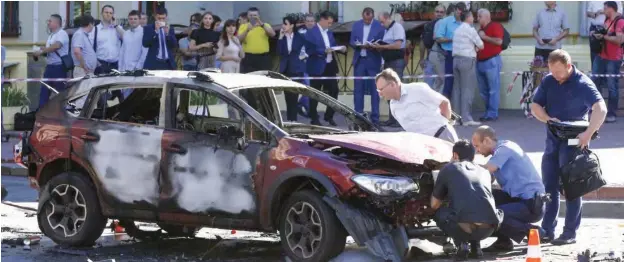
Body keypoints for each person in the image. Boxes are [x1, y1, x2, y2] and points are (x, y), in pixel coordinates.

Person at [530, 49, 607, 245]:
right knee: (549, 187)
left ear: (569, 66)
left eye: (559, 72)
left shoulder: (582, 83)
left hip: (573, 143)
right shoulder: (548, 81)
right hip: (552, 143)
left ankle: (570, 232)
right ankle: (547, 230)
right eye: (552, 72)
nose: (556, 76)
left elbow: (601, 108)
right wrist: (547, 118)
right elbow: (535, 106)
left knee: (572, 189)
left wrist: (588, 134)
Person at [472, 126, 547, 251]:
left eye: (476, 146)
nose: (477, 151)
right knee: (487, 198)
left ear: (486, 141)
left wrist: (464, 166)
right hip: (519, 200)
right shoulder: (497, 155)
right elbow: (487, 179)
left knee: (496, 214)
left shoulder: (505, 148)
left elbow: (486, 170)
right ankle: (503, 242)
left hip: (531, 203)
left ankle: (534, 233)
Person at [430, 140, 503, 260]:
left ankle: (462, 244)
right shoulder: (485, 171)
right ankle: (476, 247)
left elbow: (434, 204)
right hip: (488, 229)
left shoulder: (449, 168)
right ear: (473, 156)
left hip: (463, 228)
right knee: (476, 208)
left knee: (440, 213)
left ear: (455, 155)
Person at [375, 68, 458, 142]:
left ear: (392, 84)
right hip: (423, 146)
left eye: (381, 89)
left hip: (442, 137)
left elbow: (444, 103)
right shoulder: (393, 106)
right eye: (378, 91)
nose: (380, 94)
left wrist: (444, 127)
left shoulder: (417, 89)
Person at [305, 11, 341, 126]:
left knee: (334, 90)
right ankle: (314, 117)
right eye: (329, 23)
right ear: (322, 20)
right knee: (315, 93)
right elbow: (309, 50)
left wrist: (340, 48)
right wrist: (323, 51)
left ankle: (329, 116)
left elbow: (333, 46)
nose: (330, 25)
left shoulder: (329, 33)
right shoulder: (311, 32)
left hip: (330, 65)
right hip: (317, 66)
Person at [350, 7, 385, 125]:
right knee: (358, 90)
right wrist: (357, 45)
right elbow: (352, 41)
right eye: (365, 19)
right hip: (359, 60)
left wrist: (373, 45)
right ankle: (359, 116)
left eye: (369, 20)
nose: (367, 21)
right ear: (362, 15)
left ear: (373, 17)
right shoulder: (356, 25)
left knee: (375, 90)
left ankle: (375, 118)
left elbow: (382, 42)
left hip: (373, 60)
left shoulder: (379, 26)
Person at [590, 1, 623, 123]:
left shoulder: (620, 21)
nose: (603, 11)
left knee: (611, 85)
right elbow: (605, 33)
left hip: (613, 58)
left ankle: (611, 113)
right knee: (594, 81)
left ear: (611, 9)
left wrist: (603, 37)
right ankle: (597, 109)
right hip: (601, 55)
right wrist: (596, 34)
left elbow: (619, 40)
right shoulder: (607, 20)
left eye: (604, 8)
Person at [374, 11, 407, 128]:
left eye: (382, 22)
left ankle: (398, 120)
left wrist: (382, 46)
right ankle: (392, 118)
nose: (381, 24)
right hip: (389, 61)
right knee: (388, 90)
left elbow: (398, 45)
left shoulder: (397, 27)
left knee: (396, 89)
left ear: (388, 18)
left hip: (396, 61)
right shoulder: (387, 30)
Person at [452, 10, 483, 126]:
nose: (474, 18)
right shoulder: (470, 30)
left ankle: (456, 118)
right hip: (467, 60)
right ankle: (466, 118)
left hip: (455, 59)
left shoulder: (457, 30)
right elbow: (481, 45)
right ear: (468, 17)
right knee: (467, 89)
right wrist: (476, 48)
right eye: (472, 16)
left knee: (457, 90)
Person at [33, 14, 69, 108]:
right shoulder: (51, 35)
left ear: (56, 23)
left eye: (50, 21)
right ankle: (41, 116)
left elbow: (57, 46)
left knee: (60, 94)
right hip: (50, 67)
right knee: (44, 92)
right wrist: (43, 50)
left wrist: (42, 51)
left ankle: (61, 117)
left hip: (59, 68)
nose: (48, 23)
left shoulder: (62, 33)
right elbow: (50, 49)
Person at [476, 9, 504, 122]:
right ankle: (488, 112)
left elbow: (499, 41)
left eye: (479, 16)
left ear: (487, 17)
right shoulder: (480, 30)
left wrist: (484, 37)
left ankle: (492, 113)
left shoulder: (495, 26)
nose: (477, 19)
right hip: (480, 61)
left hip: (492, 61)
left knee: (493, 89)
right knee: (483, 90)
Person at [277, 16, 306, 122]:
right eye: (283, 24)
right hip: (286, 69)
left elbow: (306, 50)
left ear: (292, 25)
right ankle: (290, 120)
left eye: (285, 24)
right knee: (288, 96)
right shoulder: (283, 37)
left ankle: (293, 120)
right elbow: (279, 52)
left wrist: (303, 57)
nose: (283, 26)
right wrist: (280, 37)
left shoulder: (300, 37)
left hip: (297, 68)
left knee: (294, 95)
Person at [435, 2, 465, 99]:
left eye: (461, 13)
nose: (459, 14)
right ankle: (446, 108)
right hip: (449, 54)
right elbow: (438, 38)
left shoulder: (467, 22)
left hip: (464, 55)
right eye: (458, 11)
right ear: (455, 10)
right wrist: (452, 39)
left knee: (462, 83)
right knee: (449, 82)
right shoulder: (446, 21)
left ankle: (458, 110)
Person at [238, 7, 276, 73]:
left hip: (263, 58)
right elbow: (239, 40)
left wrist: (262, 25)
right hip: (248, 58)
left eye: (255, 15)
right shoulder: (243, 26)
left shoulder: (265, 25)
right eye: (250, 15)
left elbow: (272, 34)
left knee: (265, 79)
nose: (253, 17)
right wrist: (247, 30)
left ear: (259, 16)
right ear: (247, 16)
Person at [587, 1, 622, 69]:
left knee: (610, 52)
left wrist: (602, 12)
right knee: (595, 53)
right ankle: (596, 74)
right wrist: (594, 14)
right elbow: (587, 12)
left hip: (611, 27)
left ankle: (608, 74)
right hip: (595, 27)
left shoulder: (617, 1)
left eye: (605, 8)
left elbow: (619, 14)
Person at [421, 4, 447, 93]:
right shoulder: (427, 25)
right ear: (433, 13)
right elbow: (422, 42)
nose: (439, 14)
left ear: (445, 14)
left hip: (442, 59)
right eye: (437, 12)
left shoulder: (446, 25)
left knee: (439, 84)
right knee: (428, 86)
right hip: (430, 59)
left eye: (441, 12)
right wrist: (421, 59)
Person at [92, 5, 124, 74]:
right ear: (102, 13)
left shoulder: (117, 28)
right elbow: (90, 48)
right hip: (101, 64)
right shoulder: (95, 29)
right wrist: (97, 63)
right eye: (106, 12)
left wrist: (115, 25)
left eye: (110, 13)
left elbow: (126, 38)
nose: (108, 15)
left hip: (115, 65)